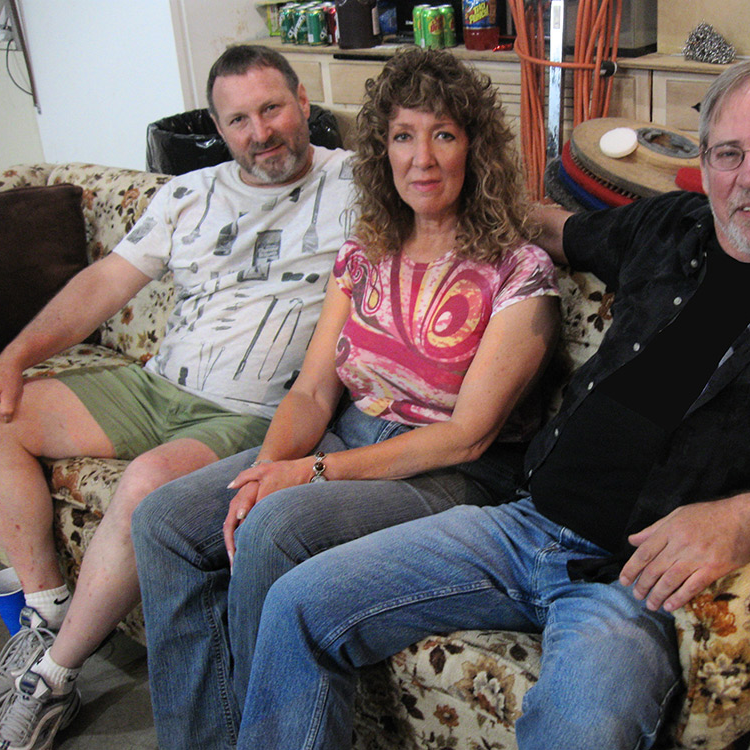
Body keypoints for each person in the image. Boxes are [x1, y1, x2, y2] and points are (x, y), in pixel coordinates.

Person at [231, 58, 750, 750]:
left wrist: (749, 517)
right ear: (704, 166)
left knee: (582, 729)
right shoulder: (671, 228)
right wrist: (450, 202)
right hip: (522, 523)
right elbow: (549, 226)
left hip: (630, 581)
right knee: (298, 604)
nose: (749, 176)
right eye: (729, 154)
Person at [131, 46, 559, 750]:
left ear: (475, 147)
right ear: (382, 151)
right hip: (349, 434)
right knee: (164, 520)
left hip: (447, 473)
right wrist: (263, 470)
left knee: (275, 528)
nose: (422, 158)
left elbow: (470, 435)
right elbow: (312, 389)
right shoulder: (365, 251)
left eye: (444, 134)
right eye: (403, 136)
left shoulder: (519, 270)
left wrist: (309, 475)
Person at [0, 44, 358, 750]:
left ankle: (53, 679)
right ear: (219, 127)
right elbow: (102, 286)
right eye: (239, 120)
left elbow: (469, 195)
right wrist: (12, 361)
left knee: (148, 484)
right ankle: (46, 610)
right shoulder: (189, 194)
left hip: (251, 412)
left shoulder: (359, 184)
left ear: (304, 103)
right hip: (156, 385)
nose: (261, 132)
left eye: (272, 109)